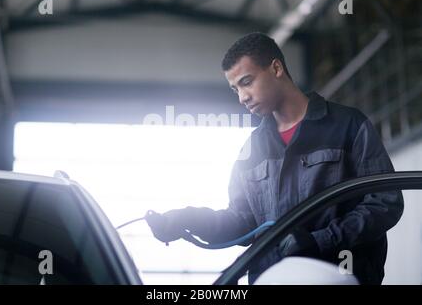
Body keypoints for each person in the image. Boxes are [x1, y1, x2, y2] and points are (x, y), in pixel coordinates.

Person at [145, 32, 404, 285]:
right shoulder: (253, 148)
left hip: (338, 277)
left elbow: (385, 203)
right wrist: (188, 220)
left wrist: (322, 240)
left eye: (247, 82)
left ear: (276, 68)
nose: (242, 97)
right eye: (235, 89)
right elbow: (241, 222)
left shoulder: (348, 125)